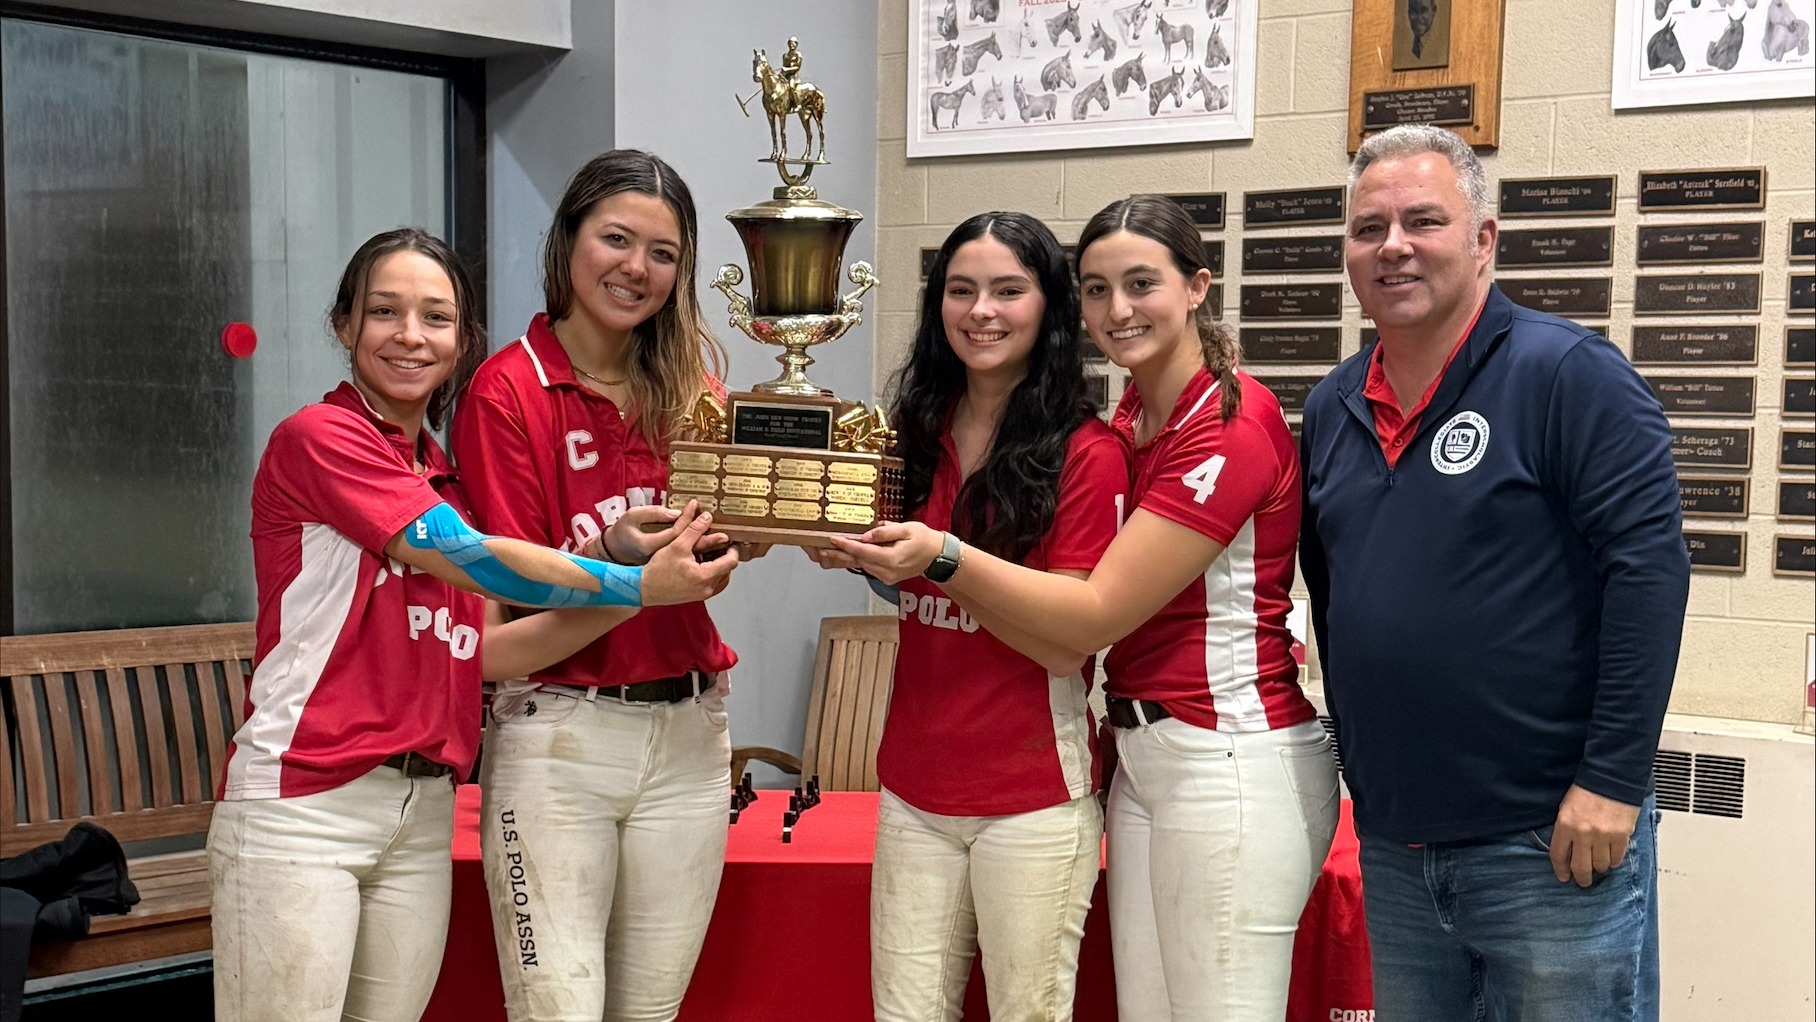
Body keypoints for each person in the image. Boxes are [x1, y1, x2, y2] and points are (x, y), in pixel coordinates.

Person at [827, 195, 1339, 1020]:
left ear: (1198, 286)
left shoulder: (1227, 427)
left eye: (1141, 283)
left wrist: (943, 556)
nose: (1118, 309)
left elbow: (1088, 618)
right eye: (1097, 289)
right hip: (1138, 752)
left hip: (1230, 751)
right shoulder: (1136, 415)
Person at [210, 228, 738, 1022]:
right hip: (305, 803)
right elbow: (475, 559)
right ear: (345, 325)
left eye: (436, 318)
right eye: (385, 312)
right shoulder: (323, 439)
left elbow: (489, 650)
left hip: (420, 808)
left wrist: (622, 574)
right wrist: (632, 579)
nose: (410, 336)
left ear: (462, 343)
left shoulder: (442, 478)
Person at [1299, 124, 1690, 1021]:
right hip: (1396, 845)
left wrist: (1612, 780)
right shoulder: (1333, 405)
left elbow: (1649, 574)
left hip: (1550, 840)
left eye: (1423, 221)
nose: (1392, 246)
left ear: (1483, 241)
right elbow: (1334, 591)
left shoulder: (1568, 375)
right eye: (1368, 229)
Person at [807, 212, 1129, 1021]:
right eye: (961, 290)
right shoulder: (909, 433)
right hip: (914, 790)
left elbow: (1067, 642)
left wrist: (941, 555)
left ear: (1047, 309)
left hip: (1033, 795)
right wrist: (861, 558)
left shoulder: (1087, 452)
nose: (981, 311)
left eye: (1007, 291)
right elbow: (917, 588)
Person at [450, 150, 747, 1022]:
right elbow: (513, 582)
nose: (637, 269)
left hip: (692, 731)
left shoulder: (692, 384)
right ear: (568, 241)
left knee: (650, 1014)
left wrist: (765, 530)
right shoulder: (506, 390)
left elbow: (718, 540)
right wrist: (621, 567)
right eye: (616, 239)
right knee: (558, 1009)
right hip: (558, 734)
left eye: (663, 253)